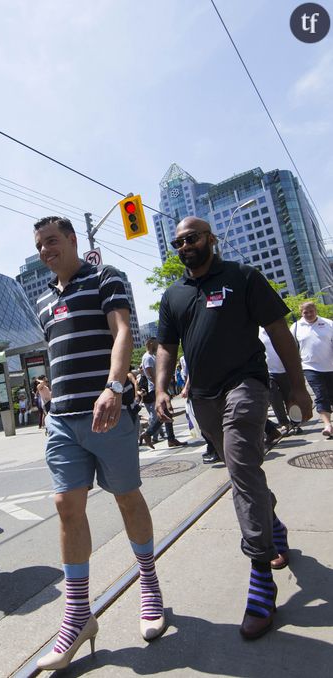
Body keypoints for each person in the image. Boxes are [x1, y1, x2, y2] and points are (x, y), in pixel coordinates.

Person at [155, 217, 312, 640]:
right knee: (242, 472)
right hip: (203, 397)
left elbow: (279, 331)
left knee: (242, 468)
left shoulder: (243, 277)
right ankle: (272, 524)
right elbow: (167, 347)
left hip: (246, 383)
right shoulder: (173, 295)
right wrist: (161, 389)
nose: (185, 245)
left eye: (192, 238)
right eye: (178, 242)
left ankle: (260, 575)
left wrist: (298, 388)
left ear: (211, 239)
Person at [33, 216, 165, 671]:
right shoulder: (43, 301)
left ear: (72, 240)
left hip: (108, 414)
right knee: (66, 506)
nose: (46, 250)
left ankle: (149, 585)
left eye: (52, 241)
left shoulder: (105, 277)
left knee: (128, 499)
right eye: (39, 245)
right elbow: (57, 356)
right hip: (63, 422)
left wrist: (114, 387)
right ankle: (77, 615)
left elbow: (122, 331)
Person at [291, 301, 333, 437]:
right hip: (310, 367)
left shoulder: (328, 323)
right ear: (301, 313)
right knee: (321, 396)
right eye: (305, 312)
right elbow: (292, 348)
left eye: (311, 311)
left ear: (316, 310)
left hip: (330, 366)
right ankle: (328, 425)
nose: (309, 314)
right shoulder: (296, 327)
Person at [140, 337, 183, 448]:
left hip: (158, 388)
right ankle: (150, 434)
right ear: (150, 343)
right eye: (156, 342)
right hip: (156, 389)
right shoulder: (147, 357)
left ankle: (169, 438)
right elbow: (150, 375)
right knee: (166, 412)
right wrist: (160, 389)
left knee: (167, 413)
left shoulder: (152, 356)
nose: (158, 344)